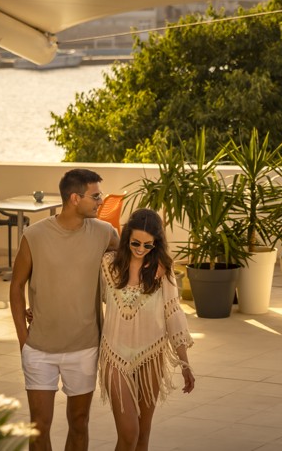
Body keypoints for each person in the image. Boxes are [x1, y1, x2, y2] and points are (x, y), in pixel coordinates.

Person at [10, 168, 119, 451]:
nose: (101, 202)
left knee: (79, 422)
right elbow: (16, 286)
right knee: (39, 427)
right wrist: (24, 340)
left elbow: (127, 271)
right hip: (39, 350)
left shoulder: (105, 233)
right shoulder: (34, 235)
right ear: (74, 198)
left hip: (84, 347)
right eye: (95, 196)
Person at [99, 208, 195, 451]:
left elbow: (173, 314)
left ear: (157, 243)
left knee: (143, 433)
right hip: (114, 357)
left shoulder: (162, 270)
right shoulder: (108, 265)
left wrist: (185, 364)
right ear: (126, 236)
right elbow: (81, 294)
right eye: (135, 243)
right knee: (129, 433)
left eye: (148, 245)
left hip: (150, 356)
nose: (141, 249)